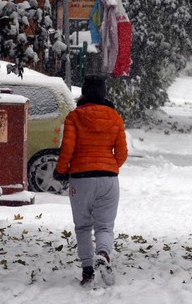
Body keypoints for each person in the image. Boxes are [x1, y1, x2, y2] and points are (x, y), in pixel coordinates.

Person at [54, 76, 128, 287]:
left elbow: (67, 149)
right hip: (108, 179)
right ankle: (103, 254)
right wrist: (108, 165)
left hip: (81, 179)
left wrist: (61, 171)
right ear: (104, 93)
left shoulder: (75, 117)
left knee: (83, 226)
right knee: (105, 226)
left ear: (84, 92)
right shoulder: (115, 117)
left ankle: (87, 271)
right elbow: (122, 153)